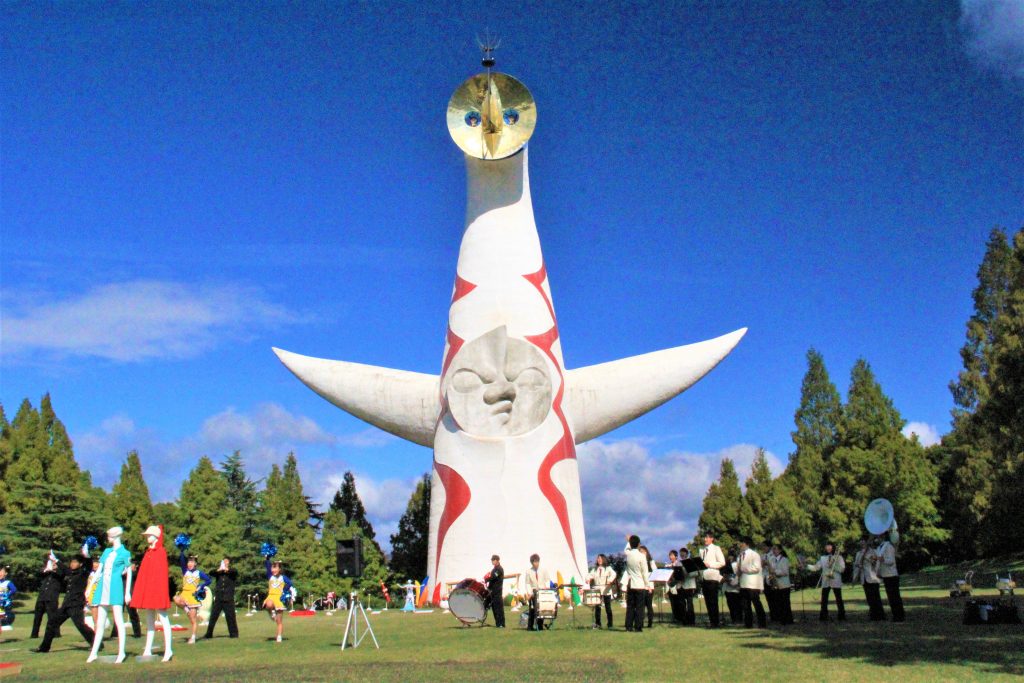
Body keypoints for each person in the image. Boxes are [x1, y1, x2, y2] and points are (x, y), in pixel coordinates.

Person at [34, 545, 96, 653]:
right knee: (52, 623)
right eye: (72, 562)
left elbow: (89, 565)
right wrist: (55, 560)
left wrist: (87, 555)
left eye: (75, 562)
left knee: (81, 626)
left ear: (81, 564)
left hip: (76, 604)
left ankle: (96, 643)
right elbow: (64, 569)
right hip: (67, 605)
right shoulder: (71, 573)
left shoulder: (83, 573)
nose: (72, 564)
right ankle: (44, 647)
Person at [87, 526, 133, 664]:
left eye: (109, 536)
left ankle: (121, 652)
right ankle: (94, 652)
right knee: (100, 622)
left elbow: (129, 572)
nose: (108, 539)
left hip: (116, 587)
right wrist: (90, 587)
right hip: (103, 587)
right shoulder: (106, 551)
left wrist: (127, 593)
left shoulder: (125, 553)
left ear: (115, 536)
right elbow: (98, 571)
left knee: (119, 621)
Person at [130, 525, 173, 662]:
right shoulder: (149, 552)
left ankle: (168, 649)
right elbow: (145, 573)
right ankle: (148, 648)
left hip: (157, 590)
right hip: (149, 589)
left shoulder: (160, 552)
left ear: (156, 536)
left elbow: (161, 574)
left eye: (149, 535)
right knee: (149, 619)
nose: (147, 537)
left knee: (163, 618)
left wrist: (158, 591)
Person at [173, 551, 211, 644]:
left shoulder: (199, 573)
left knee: (193, 620)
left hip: (193, 596)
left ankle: (193, 637)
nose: (189, 564)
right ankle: (186, 609)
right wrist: (181, 551)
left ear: (195, 563)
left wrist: (201, 586)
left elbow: (208, 580)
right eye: (188, 562)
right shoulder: (185, 571)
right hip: (184, 594)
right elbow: (181, 559)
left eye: (191, 562)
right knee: (175, 598)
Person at [803, 542, 846, 621]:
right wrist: (806, 566)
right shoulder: (823, 558)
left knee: (839, 599)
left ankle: (842, 616)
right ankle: (823, 616)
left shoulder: (838, 557)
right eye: (827, 546)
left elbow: (842, 569)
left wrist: (833, 565)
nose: (828, 548)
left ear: (832, 547)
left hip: (835, 581)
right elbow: (816, 567)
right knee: (824, 600)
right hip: (826, 581)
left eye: (829, 546)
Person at [204, 556, 239, 639]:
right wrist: (219, 569)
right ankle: (209, 633)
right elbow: (211, 572)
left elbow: (235, 572)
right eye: (224, 561)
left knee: (230, 616)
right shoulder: (219, 573)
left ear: (229, 563)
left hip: (228, 597)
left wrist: (227, 569)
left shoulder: (231, 572)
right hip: (219, 598)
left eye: (226, 561)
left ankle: (234, 634)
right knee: (213, 616)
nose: (225, 562)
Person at [30, 551, 62, 640]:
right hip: (42, 596)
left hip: (52, 596)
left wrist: (55, 567)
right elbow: (39, 573)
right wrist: (46, 569)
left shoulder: (59, 572)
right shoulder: (46, 572)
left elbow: (61, 573)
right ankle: (34, 634)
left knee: (52, 616)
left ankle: (56, 633)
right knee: (37, 616)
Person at [262, 557, 294, 642]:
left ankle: (279, 636)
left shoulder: (283, 577)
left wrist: (285, 591)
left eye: (275, 567)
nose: (273, 569)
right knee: (268, 604)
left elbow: (290, 583)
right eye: (272, 567)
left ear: (279, 569)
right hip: (271, 596)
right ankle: (271, 613)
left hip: (279, 598)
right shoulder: (270, 576)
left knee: (279, 621)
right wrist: (267, 558)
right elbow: (267, 564)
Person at [623, 534, 650, 632]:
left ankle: (628, 626)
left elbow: (626, 549)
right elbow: (645, 572)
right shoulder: (642, 556)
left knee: (630, 606)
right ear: (639, 544)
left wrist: (628, 541)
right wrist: (647, 585)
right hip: (639, 584)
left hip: (631, 583)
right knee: (639, 607)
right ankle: (638, 626)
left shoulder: (628, 554)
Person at [853, 538, 885, 621]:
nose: (862, 542)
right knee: (869, 597)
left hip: (873, 577)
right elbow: (856, 565)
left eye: (864, 541)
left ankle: (881, 615)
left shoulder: (873, 551)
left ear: (867, 542)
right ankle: (873, 615)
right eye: (861, 541)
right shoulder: (858, 553)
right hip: (864, 578)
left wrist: (869, 559)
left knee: (876, 597)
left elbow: (876, 562)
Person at [737, 538, 766, 629]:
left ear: (746, 544)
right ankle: (748, 624)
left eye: (741, 543)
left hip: (753, 584)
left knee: (756, 604)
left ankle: (762, 623)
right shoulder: (740, 556)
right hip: (743, 583)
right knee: (746, 605)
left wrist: (743, 569)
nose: (740, 545)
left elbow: (756, 568)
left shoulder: (754, 554)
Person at [699, 531, 726, 628]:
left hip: (712, 577)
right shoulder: (702, 550)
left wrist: (710, 565)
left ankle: (716, 622)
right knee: (707, 601)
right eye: (704, 537)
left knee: (713, 601)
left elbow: (722, 562)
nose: (705, 539)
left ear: (711, 538)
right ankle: (712, 621)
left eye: (707, 537)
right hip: (704, 577)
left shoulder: (716, 548)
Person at [876, 535, 905, 622]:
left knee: (895, 596)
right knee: (890, 597)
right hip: (885, 575)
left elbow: (891, 561)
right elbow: (879, 561)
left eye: (878, 537)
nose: (876, 539)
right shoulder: (879, 548)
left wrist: (882, 559)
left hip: (892, 575)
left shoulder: (888, 546)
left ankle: (899, 615)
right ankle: (895, 614)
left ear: (882, 538)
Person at [110, 561, 142, 640]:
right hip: (121, 594)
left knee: (132, 614)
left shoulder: (135, 574)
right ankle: (115, 633)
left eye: (133, 564)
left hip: (130, 596)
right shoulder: (123, 573)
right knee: (118, 614)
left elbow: (134, 575)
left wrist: (131, 571)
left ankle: (137, 633)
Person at [522, 553, 550, 632]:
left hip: (542, 592)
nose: (536, 563)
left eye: (537, 561)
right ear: (532, 562)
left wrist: (546, 588)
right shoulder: (528, 571)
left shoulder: (544, 570)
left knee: (541, 610)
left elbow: (547, 580)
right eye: (534, 562)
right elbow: (527, 583)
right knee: (532, 610)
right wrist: (529, 593)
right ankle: (530, 627)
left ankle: (540, 626)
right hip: (533, 593)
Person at [588, 553, 616, 629]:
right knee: (597, 607)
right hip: (597, 589)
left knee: (608, 607)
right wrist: (588, 578)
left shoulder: (608, 568)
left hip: (606, 589)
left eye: (600, 558)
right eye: (598, 558)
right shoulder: (594, 569)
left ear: (604, 559)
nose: (599, 560)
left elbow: (614, 574)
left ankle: (610, 624)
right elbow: (590, 575)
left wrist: (610, 580)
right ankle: (598, 624)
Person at [768, 545, 793, 625]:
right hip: (776, 584)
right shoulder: (772, 560)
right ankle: (781, 618)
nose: (774, 551)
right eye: (773, 549)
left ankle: (788, 619)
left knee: (785, 603)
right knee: (778, 603)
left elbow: (785, 571)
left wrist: (775, 572)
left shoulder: (784, 560)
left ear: (780, 550)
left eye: (775, 549)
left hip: (784, 584)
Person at [677, 548, 698, 626]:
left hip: (689, 585)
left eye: (683, 553)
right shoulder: (678, 563)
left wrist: (687, 573)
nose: (682, 555)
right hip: (681, 585)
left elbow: (695, 574)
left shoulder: (690, 562)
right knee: (682, 604)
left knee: (689, 604)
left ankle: (691, 621)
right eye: (680, 553)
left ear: (686, 553)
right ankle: (684, 621)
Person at [484, 555, 505, 628]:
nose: (492, 561)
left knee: (498, 608)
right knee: (494, 608)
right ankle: (498, 623)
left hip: (497, 592)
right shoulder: (494, 569)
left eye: (493, 560)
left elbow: (494, 577)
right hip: (493, 592)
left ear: (497, 560)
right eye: (492, 560)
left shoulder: (499, 569)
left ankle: (501, 624)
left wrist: (487, 578)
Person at [639, 545, 656, 628]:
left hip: (650, 586)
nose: (642, 553)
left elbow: (655, 571)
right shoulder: (639, 562)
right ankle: (640, 622)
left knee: (649, 605)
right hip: (641, 586)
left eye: (643, 552)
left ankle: (650, 622)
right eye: (640, 552)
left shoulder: (650, 561)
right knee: (641, 606)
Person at [723, 552, 742, 624]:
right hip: (729, 588)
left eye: (731, 556)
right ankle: (733, 619)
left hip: (736, 587)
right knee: (731, 605)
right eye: (729, 556)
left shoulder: (737, 565)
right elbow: (725, 574)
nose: (730, 558)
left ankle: (739, 619)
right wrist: (727, 579)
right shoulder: (727, 565)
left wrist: (732, 581)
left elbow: (737, 574)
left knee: (737, 605)